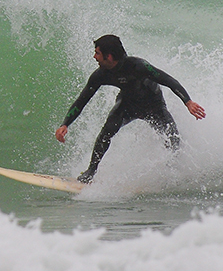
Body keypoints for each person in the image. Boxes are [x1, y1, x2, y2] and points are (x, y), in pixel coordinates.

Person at [55, 35, 205, 183]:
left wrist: (188, 102)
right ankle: (91, 171)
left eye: (97, 53)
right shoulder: (101, 74)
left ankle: (173, 173)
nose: (95, 57)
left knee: (173, 139)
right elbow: (82, 100)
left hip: (154, 106)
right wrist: (65, 124)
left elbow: (168, 80)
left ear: (109, 56)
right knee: (106, 132)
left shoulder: (138, 66)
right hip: (128, 105)